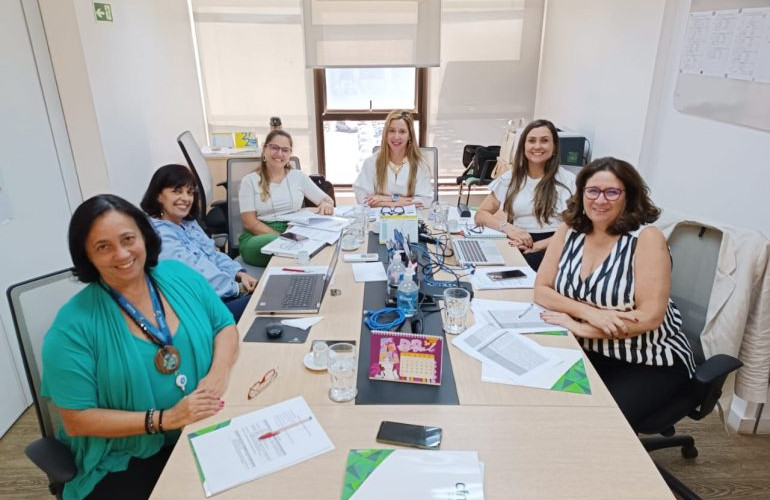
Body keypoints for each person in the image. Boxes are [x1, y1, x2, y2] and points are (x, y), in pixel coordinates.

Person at [41, 194, 239, 500]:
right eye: (103, 247)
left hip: (203, 425)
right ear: (87, 256)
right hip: (126, 456)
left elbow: (224, 326)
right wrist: (166, 419)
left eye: (128, 239)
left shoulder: (179, 275)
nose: (121, 254)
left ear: (144, 236)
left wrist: (218, 373)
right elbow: (77, 419)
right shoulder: (71, 328)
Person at [534, 157, 696, 431]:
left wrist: (584, 328)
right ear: (581, 194)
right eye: (593, 191)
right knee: (541, 407)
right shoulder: (569, 231)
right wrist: (589, 314)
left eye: (612, 192)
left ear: (628, 196)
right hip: (586, 350)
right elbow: (541, 290)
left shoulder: (646, 238)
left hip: (647, 359)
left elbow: (650, 317)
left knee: (597, 428)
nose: (600, 200)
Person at [140, 164, 258, 321]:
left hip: (219, 296)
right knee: (262, 303)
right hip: (199, 310)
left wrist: (239, 274)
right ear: (158, 196)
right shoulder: (159, 235)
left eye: (189, 192)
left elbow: (213, 255)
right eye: (177, 191)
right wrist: (237, 288)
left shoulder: (187, 222)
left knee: (270, 295)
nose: (186, 198)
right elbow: (197, 275)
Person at [473, 119, 575, 271]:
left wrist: (539, 245)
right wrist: (507, 228)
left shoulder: (569, 181)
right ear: (523, 147)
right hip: (518, 241)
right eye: (532, 141)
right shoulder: (510, 178)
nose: (537, 146)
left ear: (554, 148)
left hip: (554, 246)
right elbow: (481, 214)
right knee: (479, 264)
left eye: (544, 141)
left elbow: (577, 227)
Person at [238, 130, 335, 267]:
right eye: (274, 148)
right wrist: (284, 236)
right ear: (264, 149)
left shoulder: (298, 177)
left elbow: (327, 200)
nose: (279, 154)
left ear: (290, 153)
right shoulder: (249, 180)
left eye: (285, 150)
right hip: (259, 236)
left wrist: (326, 204)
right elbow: (249, 222)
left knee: (323, 242)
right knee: (284, 244)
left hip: (294, 230)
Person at [353, 110, 433, 208]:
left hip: (410, 217)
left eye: (402, 131)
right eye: (391, 131)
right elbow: (363, 198)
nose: (396, 136)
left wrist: (386, 199)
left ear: (410, 136)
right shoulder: (371, 162)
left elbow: (425, 201)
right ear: (386, 133)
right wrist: (399, 201)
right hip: (379, 217)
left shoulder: (420, 165)